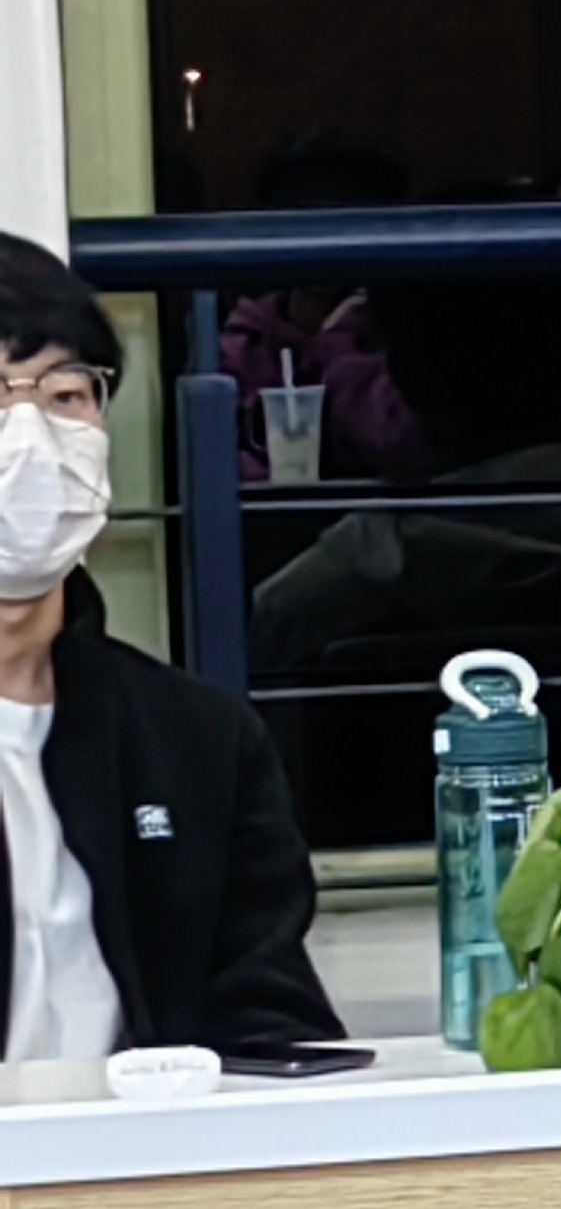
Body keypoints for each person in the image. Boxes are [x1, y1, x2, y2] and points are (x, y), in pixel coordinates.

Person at [0, 241, 340, 1057]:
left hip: (137, 1138)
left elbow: (271, 1024)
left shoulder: (199, 739)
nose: (30, 439)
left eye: (65, 394)